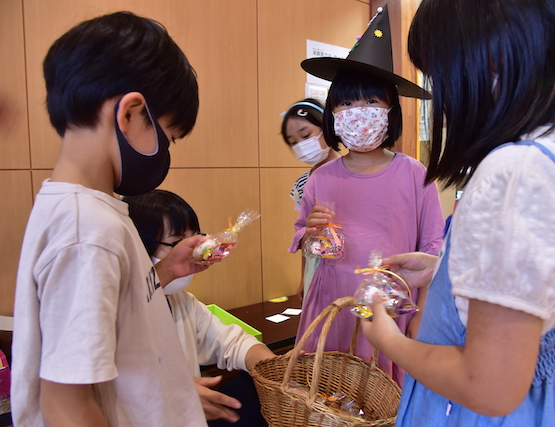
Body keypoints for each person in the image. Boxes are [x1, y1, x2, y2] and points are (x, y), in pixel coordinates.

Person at [361, 0, 555, 425]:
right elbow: (536, 281)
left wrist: (388, 339)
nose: (443, 93)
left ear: (491, 54)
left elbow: (487, 385)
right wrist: (444, 270)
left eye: (441, 72)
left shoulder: (515, 171)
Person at [11, 12, 209, 426]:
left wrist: (164, 271)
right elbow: (66, 405)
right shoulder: (88, 231)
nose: (165, 153)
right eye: (168, 137)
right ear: (131, 113)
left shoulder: (89, 213)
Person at [289, 5, 444, 385]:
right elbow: (303, 240)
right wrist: (311, 234)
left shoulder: (415, 174)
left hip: (390, 310)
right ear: (333, 116)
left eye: (372, 103)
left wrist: (421, 315)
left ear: (391, 112)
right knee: (328, 396)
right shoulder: (321, 178)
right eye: (346, 103)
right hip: (331, 307)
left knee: (383, 397)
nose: (359, 113)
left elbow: (434, 249)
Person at [124, 189, 273, 426]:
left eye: (194, 239)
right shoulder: (119, 312)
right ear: (139, 247)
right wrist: (174, 391)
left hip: (187, 416)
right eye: (176, 242)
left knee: (253, 387)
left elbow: (233, 342)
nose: (193, 252)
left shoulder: (182, 302)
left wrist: (276, 369)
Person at [280, 98, 341, 300]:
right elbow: (304, 235)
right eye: (293, 143)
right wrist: (303, 277)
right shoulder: (302, 183)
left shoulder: (351, 173)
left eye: (306, 135)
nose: (301, 146)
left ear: (327, 127)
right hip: (317, 264)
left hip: (350, 264)